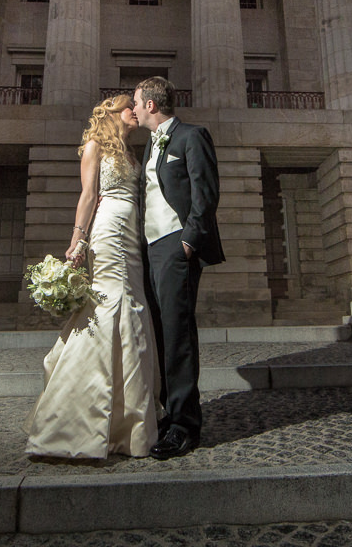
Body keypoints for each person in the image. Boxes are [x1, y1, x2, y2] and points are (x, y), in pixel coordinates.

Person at [23, 95, 161, 460]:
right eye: (128, 106)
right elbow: (88, 195)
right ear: (113, 112)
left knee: (133, 307)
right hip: (109, 230)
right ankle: (73, 421)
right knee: (110, 303)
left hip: (132, 234)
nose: (135, 109)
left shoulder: (132, 152)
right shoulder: (94, 145)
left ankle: (126, 424)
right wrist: (77, 242)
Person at [133, 76, 224, 460]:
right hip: (149, 249)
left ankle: (184, 426)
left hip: (175, 246)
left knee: (177, 334)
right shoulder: (149, 147)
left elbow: (206, 193)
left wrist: (188, 241)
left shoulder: (191, 136)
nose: (133, 109)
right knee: (159, 334)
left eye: (137, 102)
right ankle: (168, 413)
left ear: (151, 105)